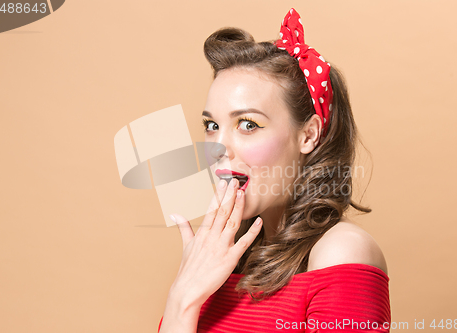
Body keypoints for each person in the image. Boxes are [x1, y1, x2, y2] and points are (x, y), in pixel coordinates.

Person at [158, 8, 390, 333]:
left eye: (248, 124)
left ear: (307, 135)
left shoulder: (340, 253)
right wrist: (181, 299)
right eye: (212, 125)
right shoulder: (217, 260)